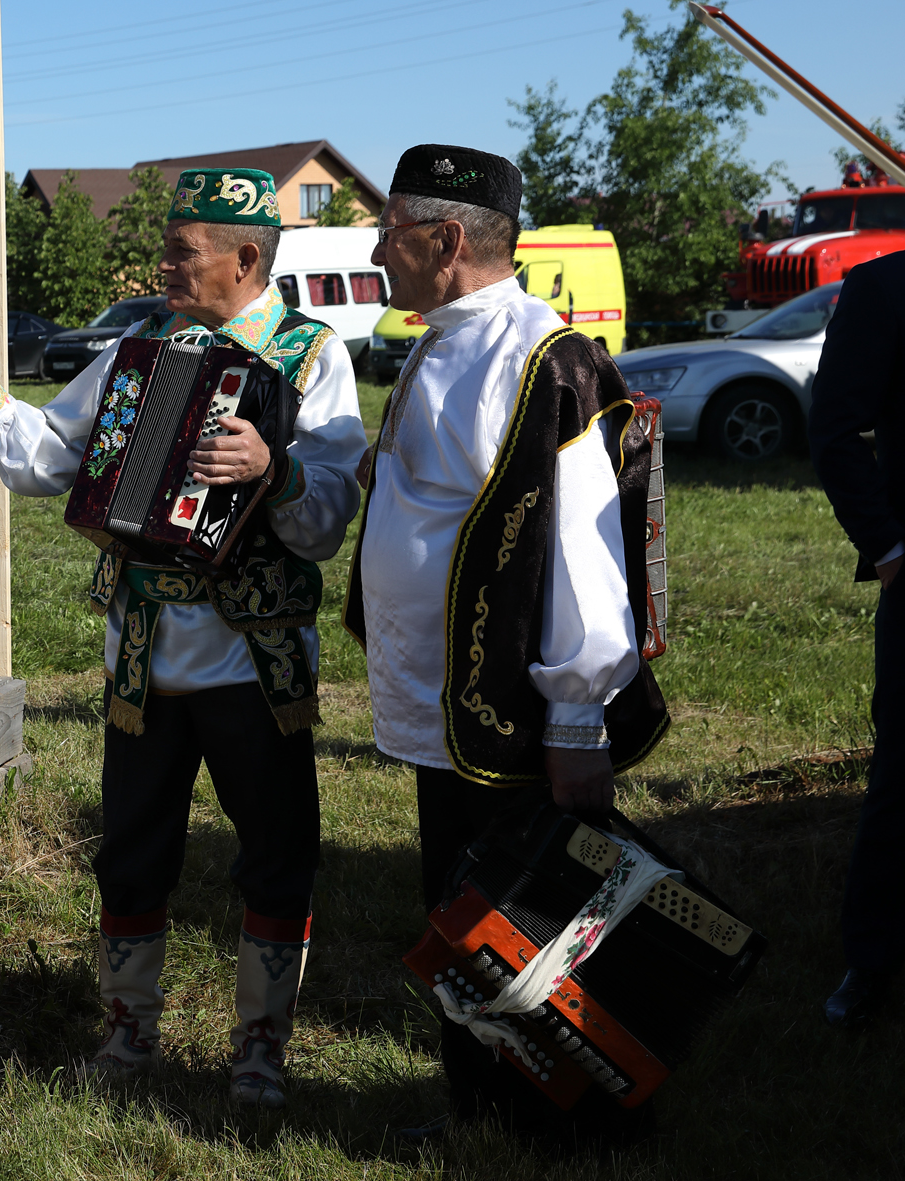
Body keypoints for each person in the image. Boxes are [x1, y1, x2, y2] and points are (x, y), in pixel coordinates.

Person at [0, 167, 366, 1108]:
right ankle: (127, 1030)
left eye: (181, 252)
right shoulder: (143, 347)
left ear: (247, 257)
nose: (162, 265)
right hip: (145, 654)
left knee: (277, 853)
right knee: (131, 846)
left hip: (256, 661)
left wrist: (272, 470)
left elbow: (328, 517)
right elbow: (50, 457)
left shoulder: (308, 355)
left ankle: (259, 1045)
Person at [346, 145, 667, 1138]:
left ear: (443, 239)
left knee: (525, 919)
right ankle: (480, 1105)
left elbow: (583, 544)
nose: (373, 246)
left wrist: (575, 711)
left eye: (390, 228)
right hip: (445, 701)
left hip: (514, 708)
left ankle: (557, 1116)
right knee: (458, 904)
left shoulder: (544, 356)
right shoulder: (436, 338)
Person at [807, 250, 905, 1029]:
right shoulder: (883, 286)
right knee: (902, 780)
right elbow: (835, 428)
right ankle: (871, 962)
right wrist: (890, 550)